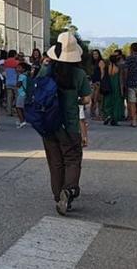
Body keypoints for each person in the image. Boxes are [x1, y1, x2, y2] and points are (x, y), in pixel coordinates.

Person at [38, 32, 91, 216]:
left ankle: (57, 194)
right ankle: (68, 190)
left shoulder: (47, 70)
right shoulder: (79, 74)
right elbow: (86, 99)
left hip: (49, 124)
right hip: (69, 124)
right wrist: (75, 100)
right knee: (72, 159)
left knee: (55, 161)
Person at [103, 53, 125, 126]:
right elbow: (121, 80)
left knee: (108, 101)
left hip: (108, 86)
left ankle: (108, 115)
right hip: (116, 87)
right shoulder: (118, 68)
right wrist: (122, 91)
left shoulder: (107, 67)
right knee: (116, 103)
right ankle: (114, 119)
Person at [14, 62, 30, 128]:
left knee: (18, 107)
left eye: (19, 68)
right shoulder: (26, 75)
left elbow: (18, 84)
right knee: (22, 107)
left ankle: (22, 121)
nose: (17, 69)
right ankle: (23, 120)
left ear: (23, 69)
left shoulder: (21, 76)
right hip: (25, 93)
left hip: (21, 93)